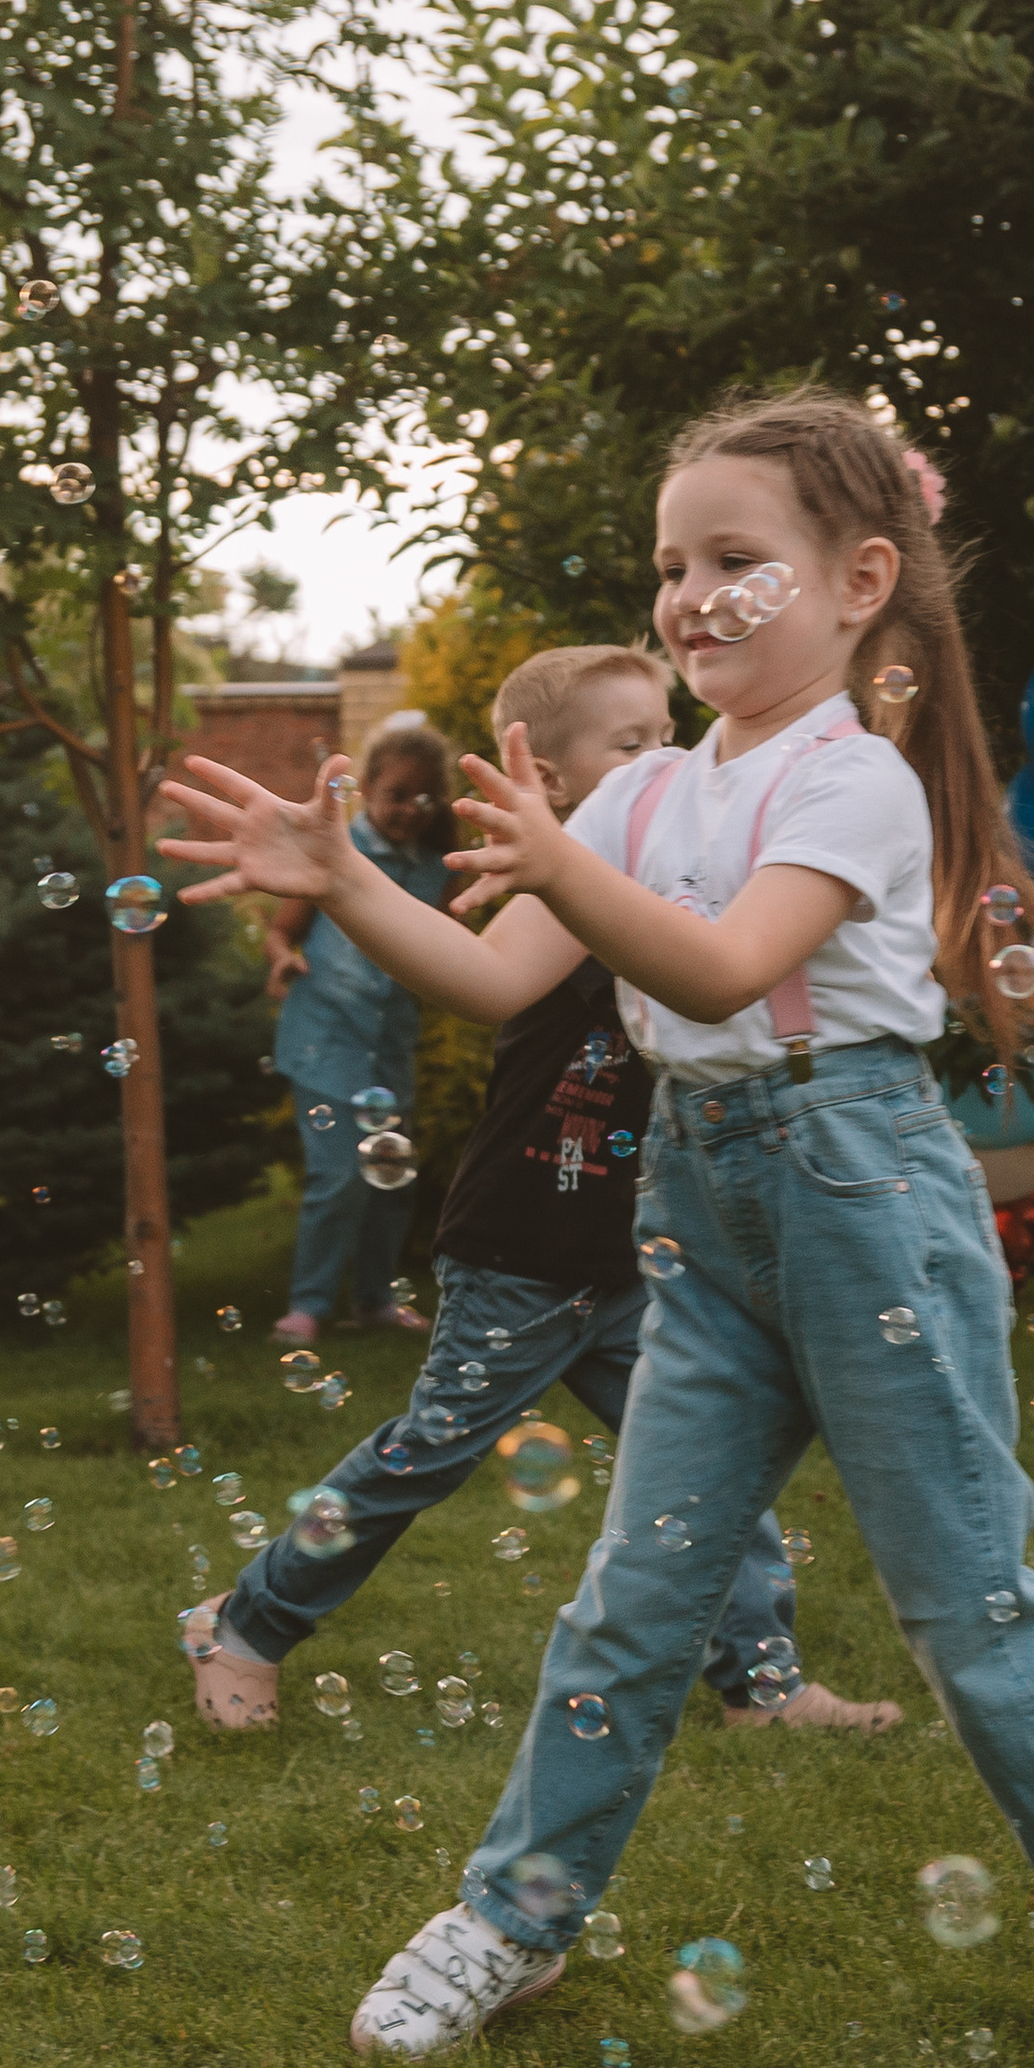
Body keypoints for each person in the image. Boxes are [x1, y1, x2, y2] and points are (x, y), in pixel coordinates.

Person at [160, 385, 1034, 2068]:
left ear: (859, 581)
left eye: (736, 558)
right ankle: (513, 1920)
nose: (689, 597)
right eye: (672, 563)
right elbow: (497, 976)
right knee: (632, 1596)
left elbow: (724, 966)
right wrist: (350, 887)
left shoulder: (857, 788)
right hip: (701, 1198)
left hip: (861, 1190)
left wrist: (556, 860)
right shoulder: (644, 796)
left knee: (963, 1596)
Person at [179, 641, 898, 1744]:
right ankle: (245, 1626)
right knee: (422, 1459)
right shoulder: (569, 888)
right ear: (549, 783)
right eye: (630, 743)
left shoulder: (686, 888)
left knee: (723, 1456)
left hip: (640, 1251)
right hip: (523, 1247)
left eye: (669, 734)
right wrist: (346, 876)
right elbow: (471, 974)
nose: (665, 758)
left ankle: (760, 1687)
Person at [266, 719, 457, 1340]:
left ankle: (374, 1302)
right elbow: (282, 929)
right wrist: (281, 959)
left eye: (425, 798)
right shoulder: (335, 853)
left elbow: (450, 945)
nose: (410, 809)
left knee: (391, 1178)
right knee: (337, 1176)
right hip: (325, 1038)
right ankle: (309, 1306)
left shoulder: (435, 868)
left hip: (388, 1049)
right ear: (369, 789)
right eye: (398, 793)